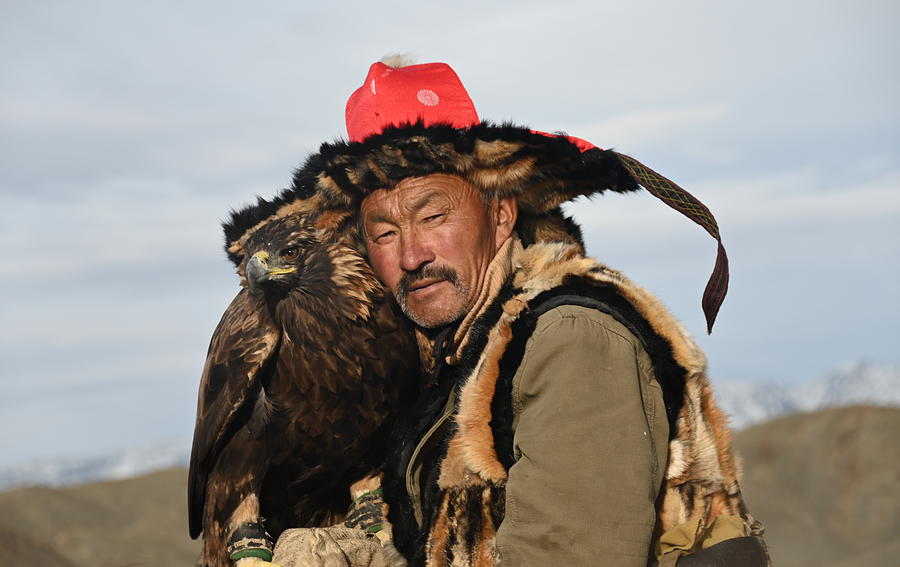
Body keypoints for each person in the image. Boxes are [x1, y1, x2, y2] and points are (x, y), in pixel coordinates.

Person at [227, 58, 769, 566]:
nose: (412, 255)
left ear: (502, 213)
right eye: (385, 234)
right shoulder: (460, 353)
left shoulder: (570, 338)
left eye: (434, 215)